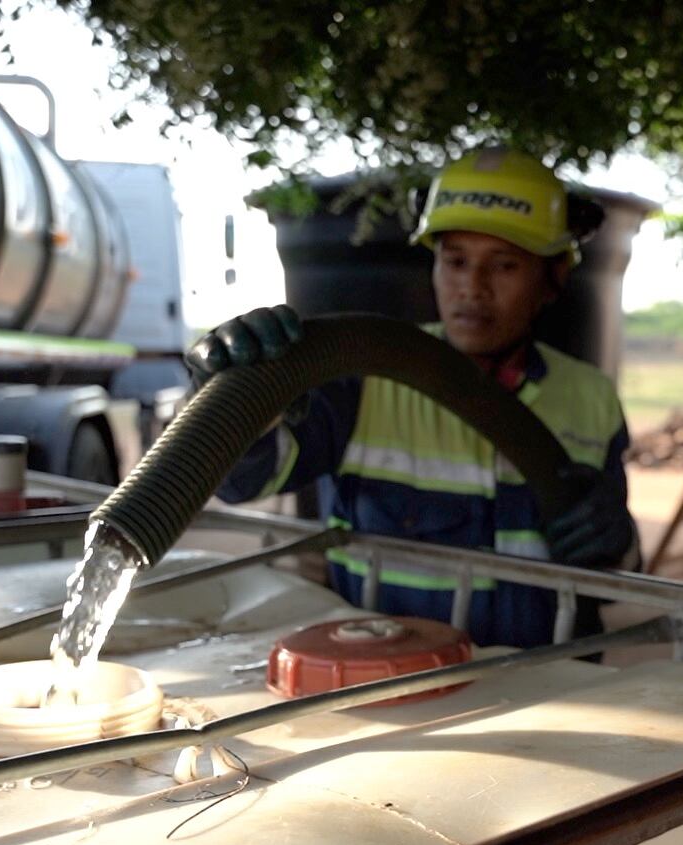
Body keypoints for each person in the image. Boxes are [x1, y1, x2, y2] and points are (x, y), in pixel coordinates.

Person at [186, 147, 637, 648]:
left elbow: (614, 571)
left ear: (550, 280)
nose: (473, 287)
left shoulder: (591, 397)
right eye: (456, 260)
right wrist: (231, 396)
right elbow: (242, 479)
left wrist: (620, 544)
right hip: (397, 691)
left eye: (504, 265)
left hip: (543, 689)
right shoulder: (367, 375)